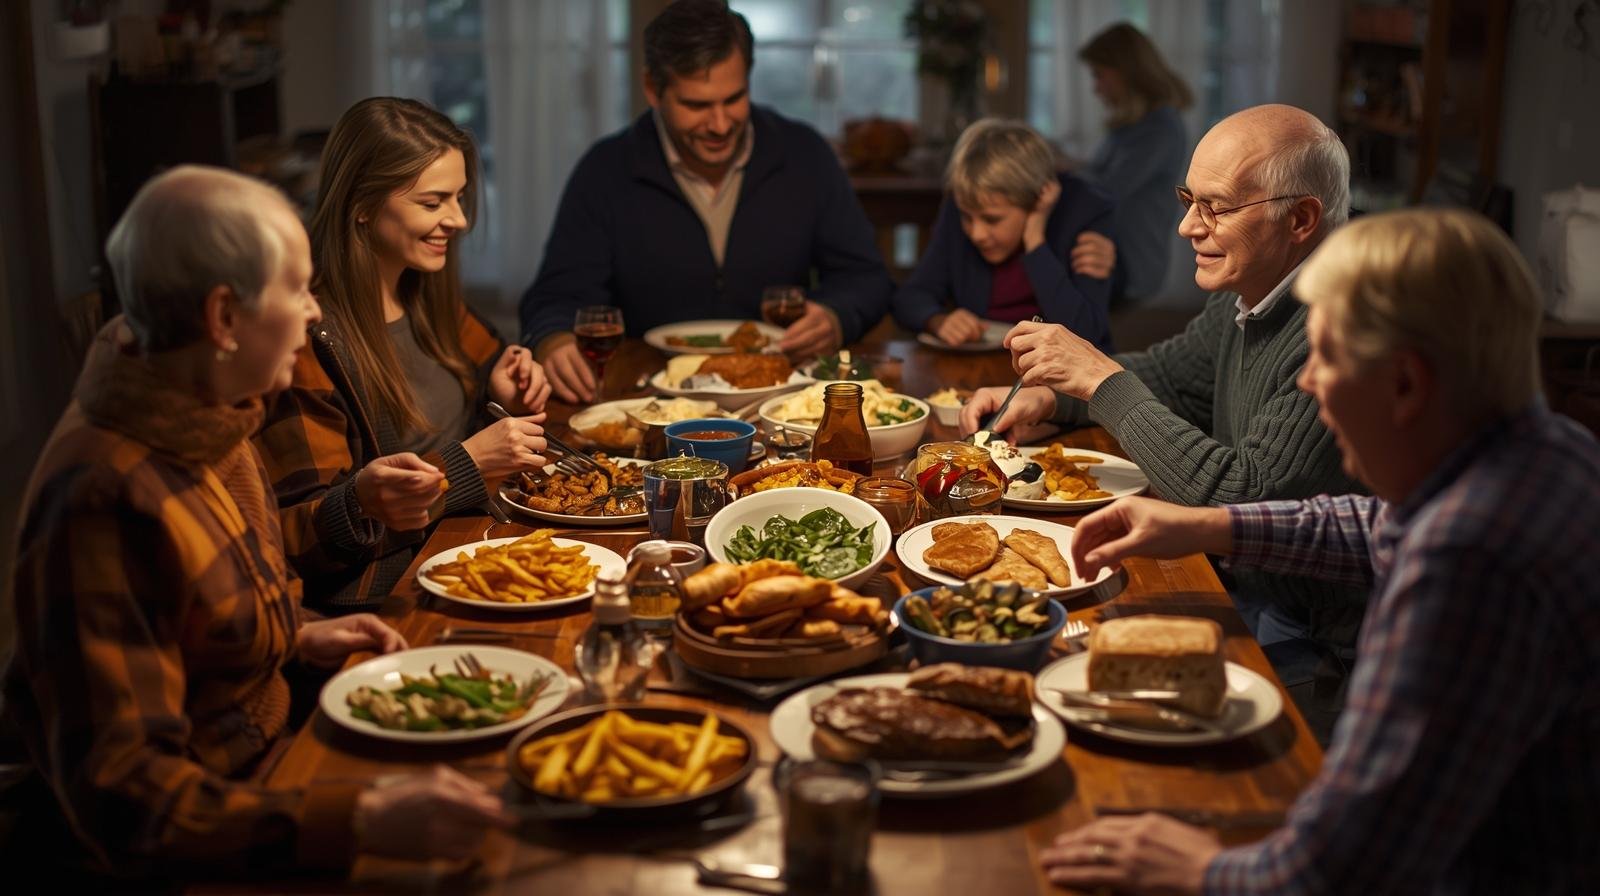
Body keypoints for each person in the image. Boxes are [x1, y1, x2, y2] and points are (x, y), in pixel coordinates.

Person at [1039, 208, 1600, 895]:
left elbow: (1345, 867)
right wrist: (1209, 526)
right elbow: (1378, 526)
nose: (1307, 382)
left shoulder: (1466, 562)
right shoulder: (1548, 450)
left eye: (1325, 356)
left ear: (1405, 385)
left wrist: (1198, 868)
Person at [0, 166, 512, 878]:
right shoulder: (104, 497)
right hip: (220, 835)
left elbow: (189, 618)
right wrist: (358, 818)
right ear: (223, 318)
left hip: (278, 758)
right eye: (297, 290)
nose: (312, 313)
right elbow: (129, 799)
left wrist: (298, 632)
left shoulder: (208, 402)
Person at [962, 104, 1364, 666]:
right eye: (1188, 200)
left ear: (1300, 219)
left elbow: (1237, 501)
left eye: (1216, 208)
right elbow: (1174, 376)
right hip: (1250, 590)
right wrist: (1054, 396)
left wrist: (1099, 379)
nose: (1187, 227)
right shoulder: (1252, 289)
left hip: (1319, 636)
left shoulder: (1344, 325)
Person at [255, 97, 552, 613]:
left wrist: (500, 392)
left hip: (471, 545)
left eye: (459, 197)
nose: (458, 219)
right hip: (390, 596)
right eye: (433, 202)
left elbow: (483, 394)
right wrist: (467, 465)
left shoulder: (424, 293)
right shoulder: (307, 338)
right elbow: (302, 536)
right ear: (363, 205)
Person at [520, 0, 895, 403]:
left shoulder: (804, 154)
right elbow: (556, 295)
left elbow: (868, 278)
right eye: (696, 105)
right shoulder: (607, 169)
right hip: (653, 400)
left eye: (733, 99)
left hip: (779, 397)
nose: (719, 125)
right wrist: (553, 340)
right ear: (652, 89)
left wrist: (836, 315)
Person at [890, 118, 1115, 351]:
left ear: (1036, 201)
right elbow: (909, 298)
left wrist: (1035, 241)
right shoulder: (964, 205)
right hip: (984, 367)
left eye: (992, 219)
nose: (977, 234)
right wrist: (938, 321)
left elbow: (1086, 335)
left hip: (1061, 377)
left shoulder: (1084, 212)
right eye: (967, 218)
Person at [1071, 22, 1193, 302]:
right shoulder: (1133, 124)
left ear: (1126, 72)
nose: (1096, 88)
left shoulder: (1159, 127)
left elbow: (1107, 189)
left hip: (1128, 260)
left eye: (1099, 75)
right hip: (1114, 252)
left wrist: (1065, 171)